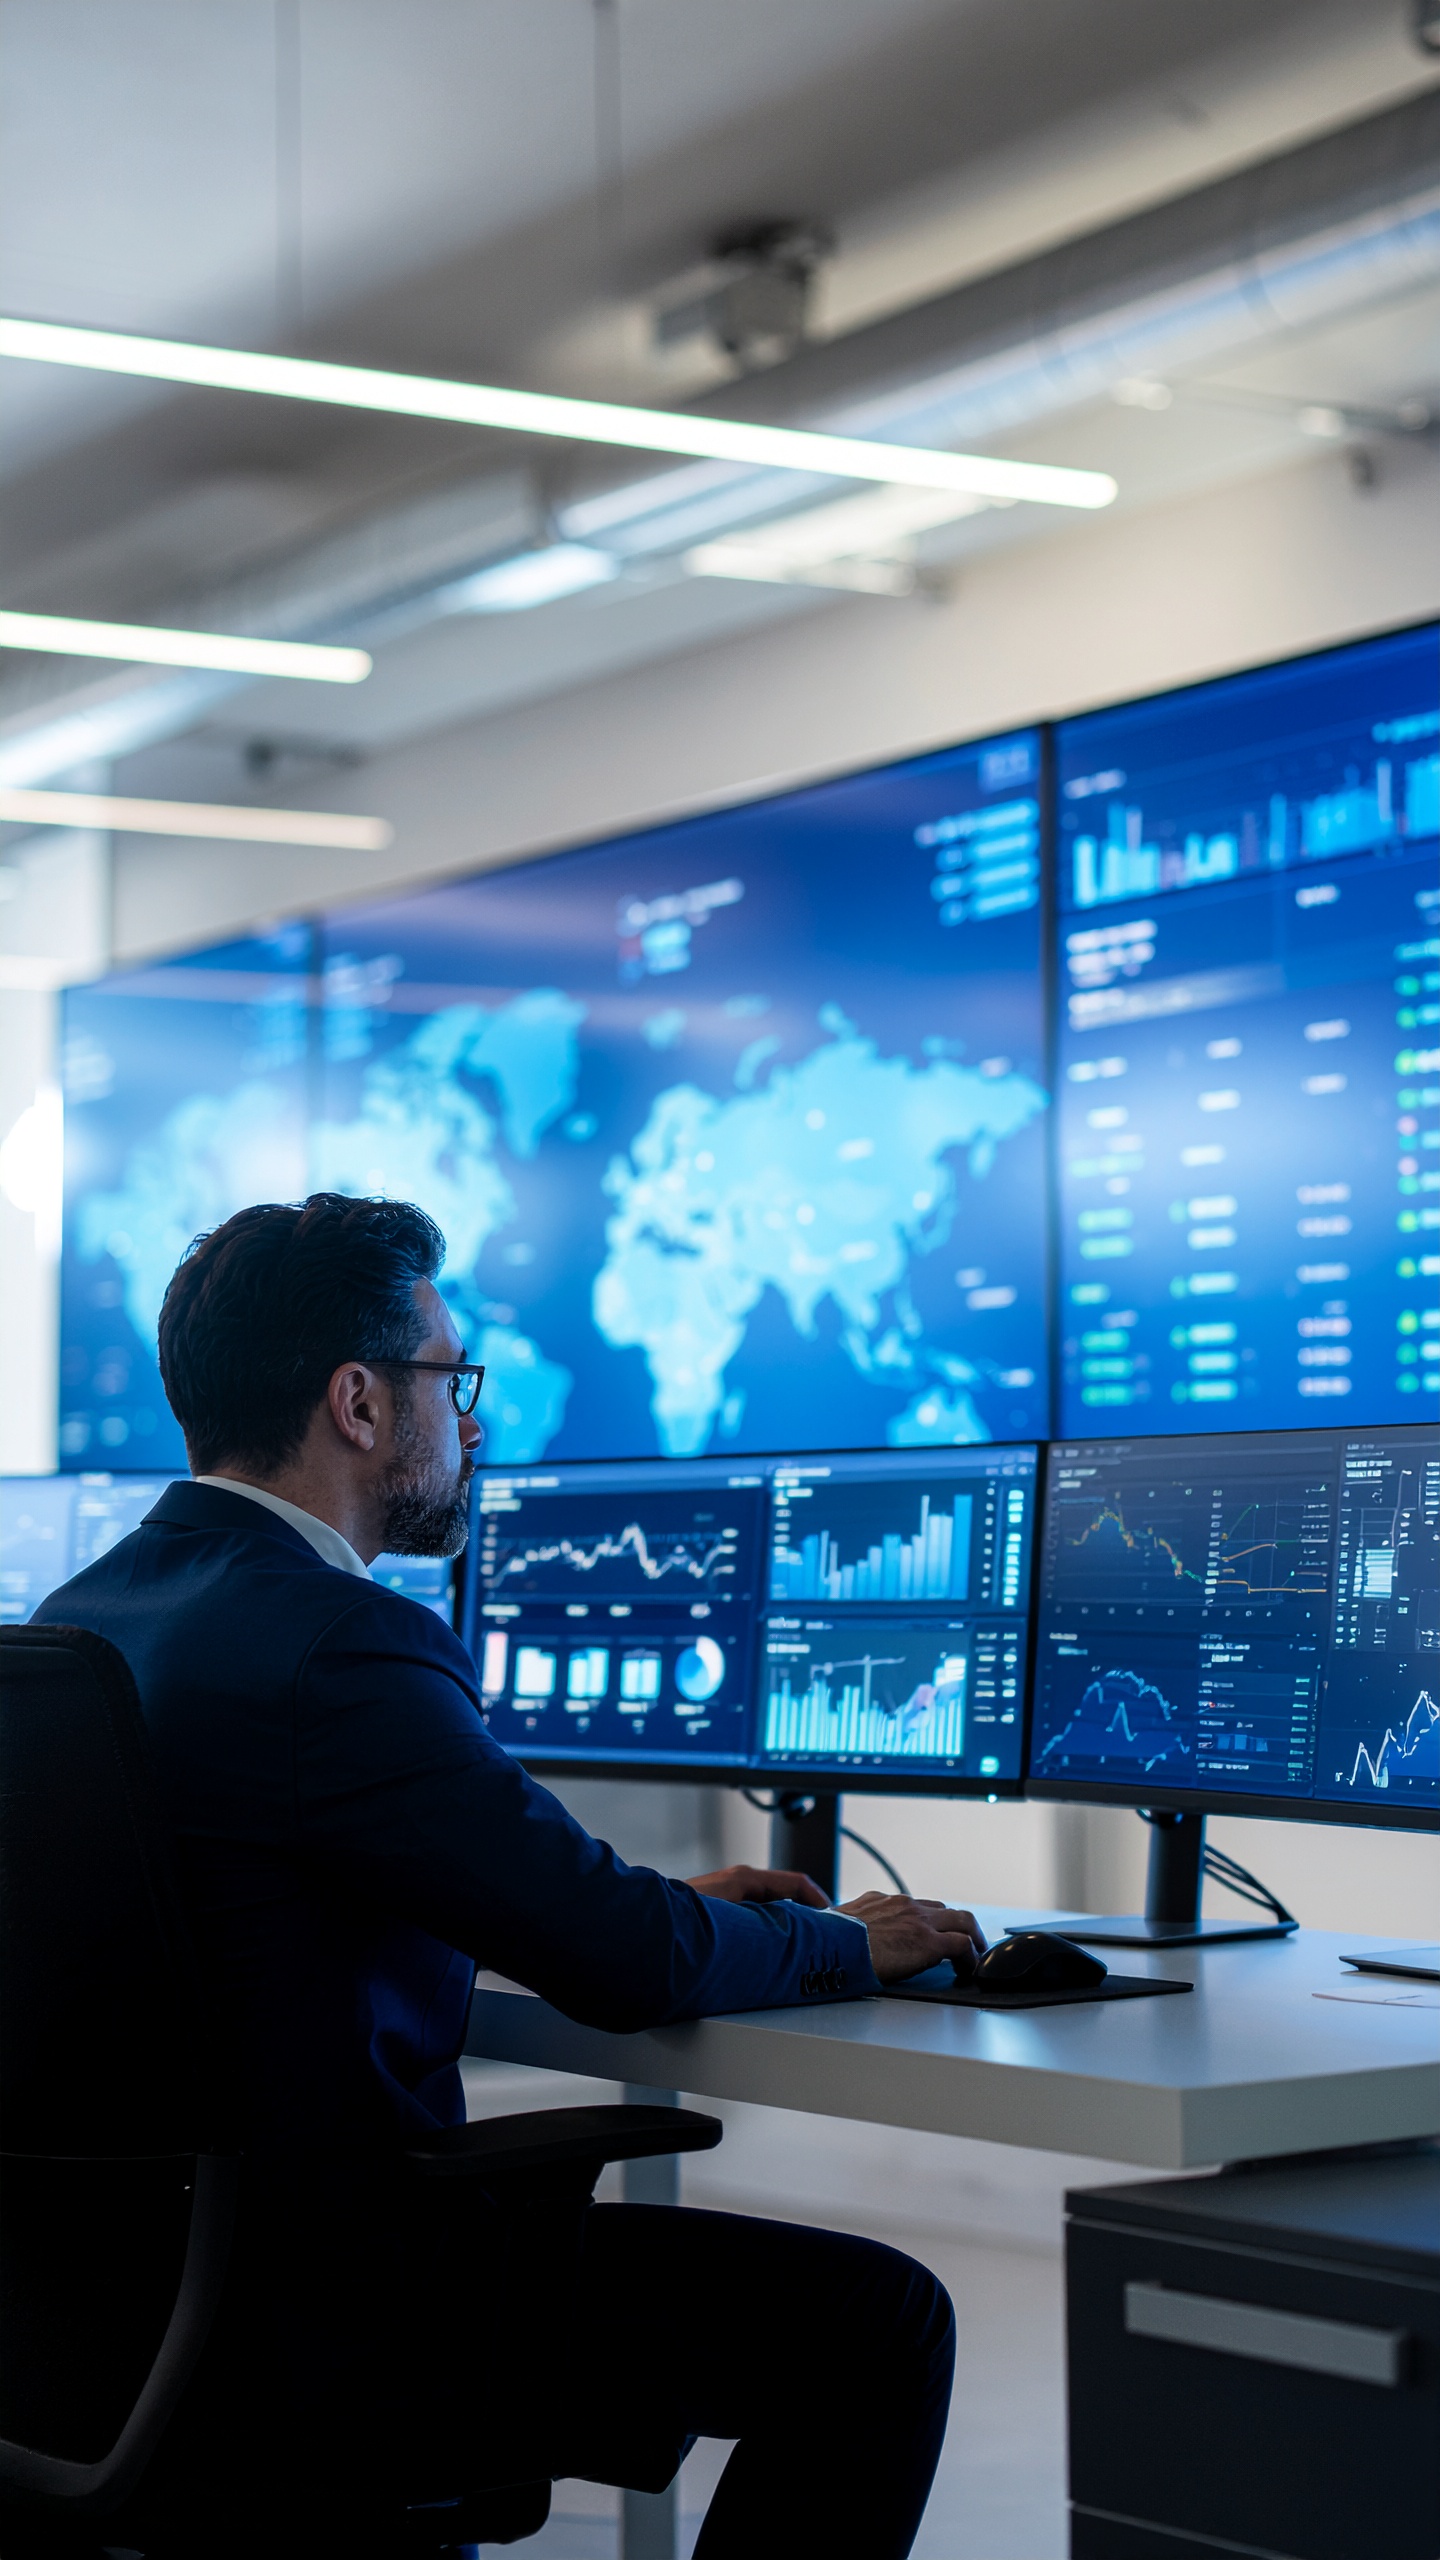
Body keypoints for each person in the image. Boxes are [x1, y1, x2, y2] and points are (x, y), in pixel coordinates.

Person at [38, 1193, 984, 2555]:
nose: (469, 1422)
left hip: (107, 2305)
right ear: (359, 1402)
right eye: (449, 1379)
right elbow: (627, 1963)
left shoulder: (91, 1615)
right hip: (330, 2309)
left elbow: (247, 1934)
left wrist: (642, 1909)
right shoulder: (336, 1643)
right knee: (878, 2325)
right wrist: (852, 1942)